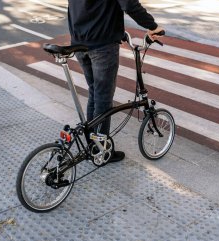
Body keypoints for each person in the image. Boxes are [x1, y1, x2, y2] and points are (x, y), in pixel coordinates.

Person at [67, 0, 164, 163]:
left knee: (94, 92)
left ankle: (93, 145)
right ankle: (102, 152)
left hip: (79, 42)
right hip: (102, 45)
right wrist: (152, 26)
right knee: (103, 98)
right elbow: (129, 4)